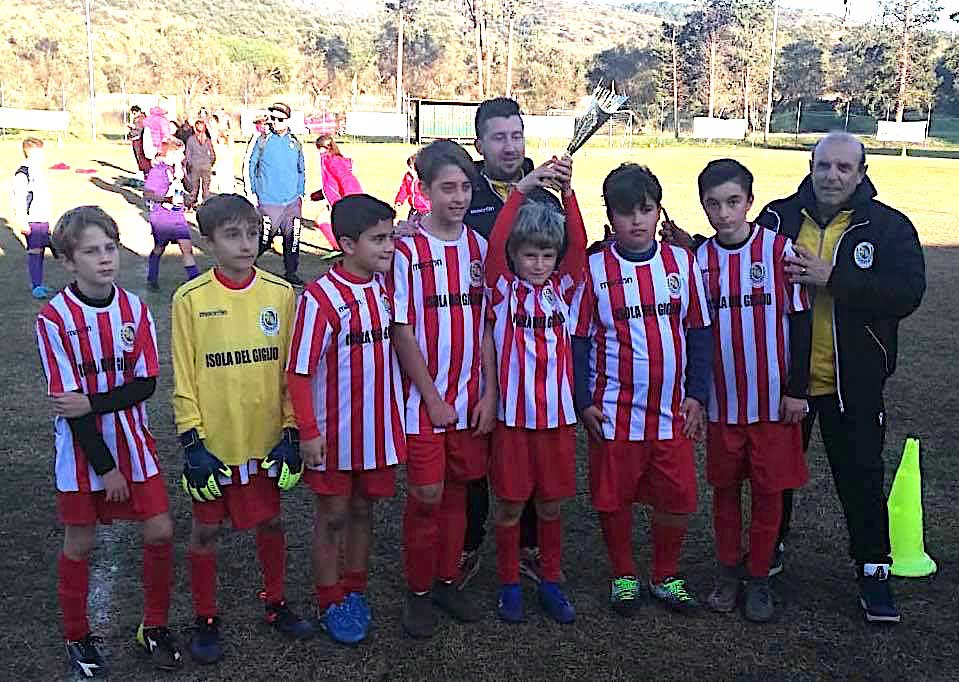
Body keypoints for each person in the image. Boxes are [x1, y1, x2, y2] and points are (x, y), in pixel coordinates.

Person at [758, 133, 925, 623]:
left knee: (861, 477)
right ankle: (769, 552)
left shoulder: (889, 227)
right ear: (810, 165)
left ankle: (874, 570)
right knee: (776, 477)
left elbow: (907, 294)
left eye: (843, 168)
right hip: (788, 383)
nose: (832, 176)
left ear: (861, 170)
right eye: (824, 166)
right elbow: (734, 255)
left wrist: (834, 279)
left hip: (851, 383)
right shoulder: (777, 217)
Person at [37, 206, 181, 678]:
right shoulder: (53, 319)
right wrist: (105, 468)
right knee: (79, 542)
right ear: (68, 262)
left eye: (110, 248)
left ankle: (154, 626)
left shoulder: (134, 309)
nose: (105, 259)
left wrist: (92, 402)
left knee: (160, 530)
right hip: (81, 454)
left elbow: (146, 385)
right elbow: (68, 409)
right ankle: (77, 635)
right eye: (91, 251)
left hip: (134, 444)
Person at [172, 194, 314, 665]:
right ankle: (205, 617)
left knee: (272, 522)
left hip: (264, 439)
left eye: (252, 233)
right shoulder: (189, 299)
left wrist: (291, 431)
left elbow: (292, 372)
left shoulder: (280, 294)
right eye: (233, 235)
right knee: (205, 532)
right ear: (208, 241)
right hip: (216, 441)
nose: (247, 244)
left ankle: (275, 602)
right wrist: (192, 441)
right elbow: (185, 375)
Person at [571, 163, 712, 616]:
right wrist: (583, 401)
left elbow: (699, 332)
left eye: (645, 210)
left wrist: (698, 395)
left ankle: (666, 574)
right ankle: (624, 574)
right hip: (615, 412)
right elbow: (578, 339)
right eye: (624, 212)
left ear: (658, 212)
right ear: (610, 217)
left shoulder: (680, 262)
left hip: (671, 412)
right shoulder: (593, 268)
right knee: (615, 498)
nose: (636, 221)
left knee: (677, 498)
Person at [691, 159, 812, 623]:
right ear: (704, 206)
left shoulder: (780, 252)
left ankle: (759, 576)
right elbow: (694, 334)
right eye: (714, 204)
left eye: (733, 202)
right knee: (724, 493)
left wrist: (797, 390)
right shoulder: (699, 261)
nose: (724, 213)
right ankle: (727, 571)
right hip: (723, 405)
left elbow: (801, 324)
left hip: (771, 404)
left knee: (768, 495)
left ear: (750, 202)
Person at [287, 194, 406, 645]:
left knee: (362, 509)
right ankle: (328, 597)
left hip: (375, 434)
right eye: (378, 239)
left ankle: (354, 589)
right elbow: (298, 373)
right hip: (333, 437)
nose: (389, 247)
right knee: (333, 514)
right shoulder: (320, 298)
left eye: (391, 237)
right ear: (346, 244)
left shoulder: (383, 286)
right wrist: (310, 432)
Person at [391, 139, 497, 638]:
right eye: (447, 187)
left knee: (458, 490)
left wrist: (489, 393)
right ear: (425, 191)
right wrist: (431, 396)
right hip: (422, 402)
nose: (458, 197)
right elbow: (402, 327)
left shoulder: (479, 248)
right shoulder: (407, 249)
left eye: (465, 187)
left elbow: (485, 328)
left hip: (469, 396)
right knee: (427, 494)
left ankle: (447, 579)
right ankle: (417, 590)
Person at [484, 156, 583, 625]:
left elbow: (578, 250)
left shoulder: (563, 288)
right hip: (513, 421)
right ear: (516, 256)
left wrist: (569, 194)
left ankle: (549, 579)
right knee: (508, 504)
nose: (539, 263)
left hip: (557, 420)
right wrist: (520, 189)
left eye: (547, 255)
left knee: (549, 503)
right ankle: (508, 583)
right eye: (530, 255)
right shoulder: (502, 290)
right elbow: (496, 245)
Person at [460, 97, 542, 589]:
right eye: (498, 137)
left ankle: (529, 544)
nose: (509, 146)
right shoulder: (463, 191)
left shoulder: (545, 194)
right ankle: (468, 542)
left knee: (528, 444)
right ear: (480, 144)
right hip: (472, 340)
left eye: (516, 135)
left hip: (529, 348)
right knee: (475, 447)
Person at [247, 102, 306, 286]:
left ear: (287, 121)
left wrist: (300, 192)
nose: (274, 123)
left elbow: (301, 169)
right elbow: (251, 165)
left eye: (279, 120)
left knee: (293, 238)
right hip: (269, 201)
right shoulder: (262, 140)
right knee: (265, 237)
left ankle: (291, 272)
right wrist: (254, 191)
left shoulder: (295, 142)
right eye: (272, 119)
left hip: (292, 202)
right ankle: (248, 262)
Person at [142, 137, 199, 290]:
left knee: (186, 248)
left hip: (177, 216)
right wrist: (167, 198)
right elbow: (147, 194)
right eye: (180, 154)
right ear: (171, 153)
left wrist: (187, 199)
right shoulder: (158, 171)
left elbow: (184, 189)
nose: (183, 157)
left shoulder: (177, 171)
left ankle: (195, 281)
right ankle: (152, 276)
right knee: (159, 248)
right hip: (162, 217)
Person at [13, 137, 54, 299]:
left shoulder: (39, 171)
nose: (43, 155)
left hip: (43, 217)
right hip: (32, 219)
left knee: (42, 251)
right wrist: (22, 220)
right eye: (40, 152)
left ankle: (39, 283)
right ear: (30, 152)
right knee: (35, 251)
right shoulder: (23, 173)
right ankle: (36, 286)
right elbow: (19, 198)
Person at [314, 135, 363, 207]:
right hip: (343, 199)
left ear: (324, 147)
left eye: (318, 148)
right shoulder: (329, 159)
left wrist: (349, 201)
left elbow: (345, 180)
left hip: (346, 200)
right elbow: (331, 183)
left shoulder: (331, 161)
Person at [185, 118, 216, 209]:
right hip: (206, 165)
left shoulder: (191, 139)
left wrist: (190, 164)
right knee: (206, 188)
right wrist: (210, 163)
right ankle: (206, 206)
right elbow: (212, 154)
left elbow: (188, 154)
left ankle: (190, 205)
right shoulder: (207, 140)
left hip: (195, 165)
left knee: (194, 188)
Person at [393, 153, 430, 218]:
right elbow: (404, 189)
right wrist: (399, 201)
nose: (409, 170)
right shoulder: (408, 176)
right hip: (413, 210)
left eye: (411, 168)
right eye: (409, 167)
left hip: (426, 212)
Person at [210, 116, 236, 194]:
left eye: (222, 138)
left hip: (226, 167)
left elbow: (231, 153)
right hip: (219, 168)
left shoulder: (228, 146)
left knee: (227, 186)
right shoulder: (216, 146)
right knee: (220, 187)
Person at [128, 105, 152, 178]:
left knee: (140, 155)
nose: (133, 114)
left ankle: (146, 171)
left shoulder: (142, 118)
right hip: (135, 138)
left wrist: (133, 127)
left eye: (134, 113)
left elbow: (140, 128)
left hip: (139, 139)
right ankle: (143, 171)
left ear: (138, 111)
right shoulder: (137, 118)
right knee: (138, 155)